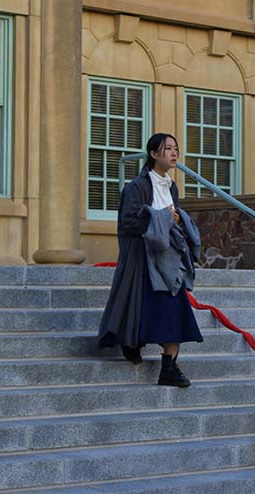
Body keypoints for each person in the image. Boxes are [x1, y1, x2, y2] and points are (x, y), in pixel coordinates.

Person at [98, 133, 203, 387]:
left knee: (175, 309)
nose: (174, 153)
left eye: (176, 148)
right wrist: (163, 217)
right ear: (154, 154)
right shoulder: (137, 187)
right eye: (167, 149)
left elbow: (173, 220)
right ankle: (130, 341)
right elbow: (129, 221)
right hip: (144, 258)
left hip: (169, 260)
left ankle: (169, 367)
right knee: (140, 306)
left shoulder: (171, 187)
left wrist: (176, 219)